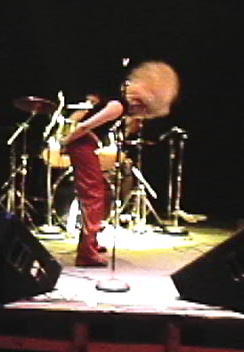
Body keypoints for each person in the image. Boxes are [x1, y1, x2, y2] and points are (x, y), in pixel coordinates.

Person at [60, 61, 180, 267]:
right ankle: (86, 254)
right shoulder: (117, 106)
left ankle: (91, 244)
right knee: (93, 197)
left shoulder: (119, 107)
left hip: (86, 145)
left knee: (98, 194)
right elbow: (84, 126)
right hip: (83, 145)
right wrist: (67, 141)